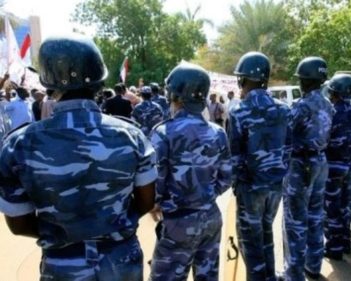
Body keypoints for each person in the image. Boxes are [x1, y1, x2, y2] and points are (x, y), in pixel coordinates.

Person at [0, 36, 157, 281]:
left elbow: (18, 225)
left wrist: (60, 234)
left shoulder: (18, 145)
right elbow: (147, 201)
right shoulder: (132, 136)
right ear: (98, 79)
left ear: (48, 83)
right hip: (121, 260)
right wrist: (115, 226)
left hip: (61, 264)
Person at [149, 62, 232, 281]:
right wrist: (204, 196)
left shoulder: (163, 133)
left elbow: (155, 184)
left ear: (175, 96)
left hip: (178, 221)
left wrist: (158, 204)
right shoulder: (218, 132)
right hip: (211, 218)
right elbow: (226, 177)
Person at [228, 51, 291, 281]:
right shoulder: (284, 109)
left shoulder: (238, 111)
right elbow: (289, 149)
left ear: (243, 79)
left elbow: (234, 156)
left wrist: (236, 185)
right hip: (275, 185)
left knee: (251, 242)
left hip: (250, 188)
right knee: (266, 235)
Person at [284, 56, 333, 281]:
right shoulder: (328, 104)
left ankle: (293, 273)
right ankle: (314, 265)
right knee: (315, 215)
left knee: (295, 219)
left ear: (306, 80)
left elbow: (287, 133)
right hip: (321, 162)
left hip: (301, 165)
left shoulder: (302, 106)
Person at [323, 74, 351, 261]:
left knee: (331, 208)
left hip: (333, 167)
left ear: (335, 92)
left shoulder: (331, 113)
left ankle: (334, 247)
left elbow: (324, 141)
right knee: (346, 206)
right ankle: (346, 241)